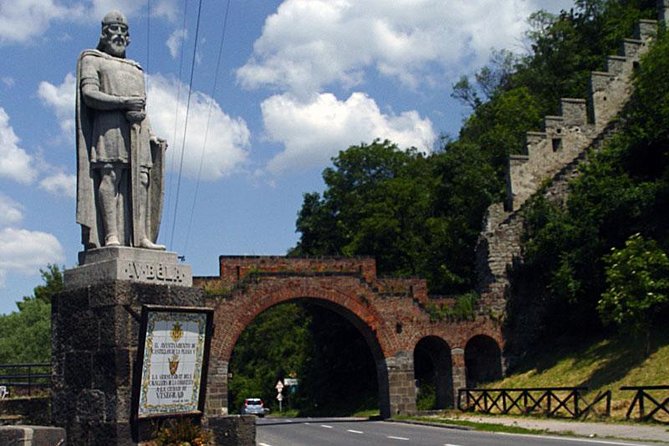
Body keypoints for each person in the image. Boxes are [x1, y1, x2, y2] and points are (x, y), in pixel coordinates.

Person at [76, 10, 166, 250]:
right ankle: (111, 236)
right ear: (104, 34)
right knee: (110, 176)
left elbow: (142, 104)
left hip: (138, 130)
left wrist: (151, 134)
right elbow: (89, 95)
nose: (118, 35)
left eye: (123, 31)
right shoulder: (91, 59)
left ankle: (141, 237)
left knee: (142, 180)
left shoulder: (135, 68)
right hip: (110, 127)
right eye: (113, 30)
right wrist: (122, 102)